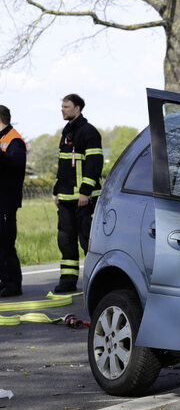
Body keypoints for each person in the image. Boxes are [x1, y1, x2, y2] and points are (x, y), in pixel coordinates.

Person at [53, 94, 103, 293]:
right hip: (65, 199)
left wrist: (85, 192)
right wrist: (57, 192)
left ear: (78, 108)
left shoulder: (89, 132)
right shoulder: (67, 133)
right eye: (62, 106)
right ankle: (68, 281)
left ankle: (96, 283)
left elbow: (94, 165)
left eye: (66, 106)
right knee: (65, 241)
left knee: (87, 241)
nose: (62, 110)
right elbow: (63, 167)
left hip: (84, 199)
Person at [0, 105, 27, 297]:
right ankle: (4, 281)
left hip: (7, 199)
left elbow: (17, 163)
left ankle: (13, 284)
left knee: (6, 243)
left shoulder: (13, 139)